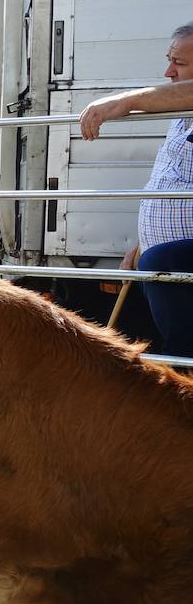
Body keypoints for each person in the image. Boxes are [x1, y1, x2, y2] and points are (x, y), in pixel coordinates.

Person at [79, 21, 193, 356]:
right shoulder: (180, 113)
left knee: (179, 348)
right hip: (162, 262)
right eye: (170, 59)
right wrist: (145, 242)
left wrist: (127, 101)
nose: (168, 71)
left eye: (180, 63)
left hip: (178, 260)